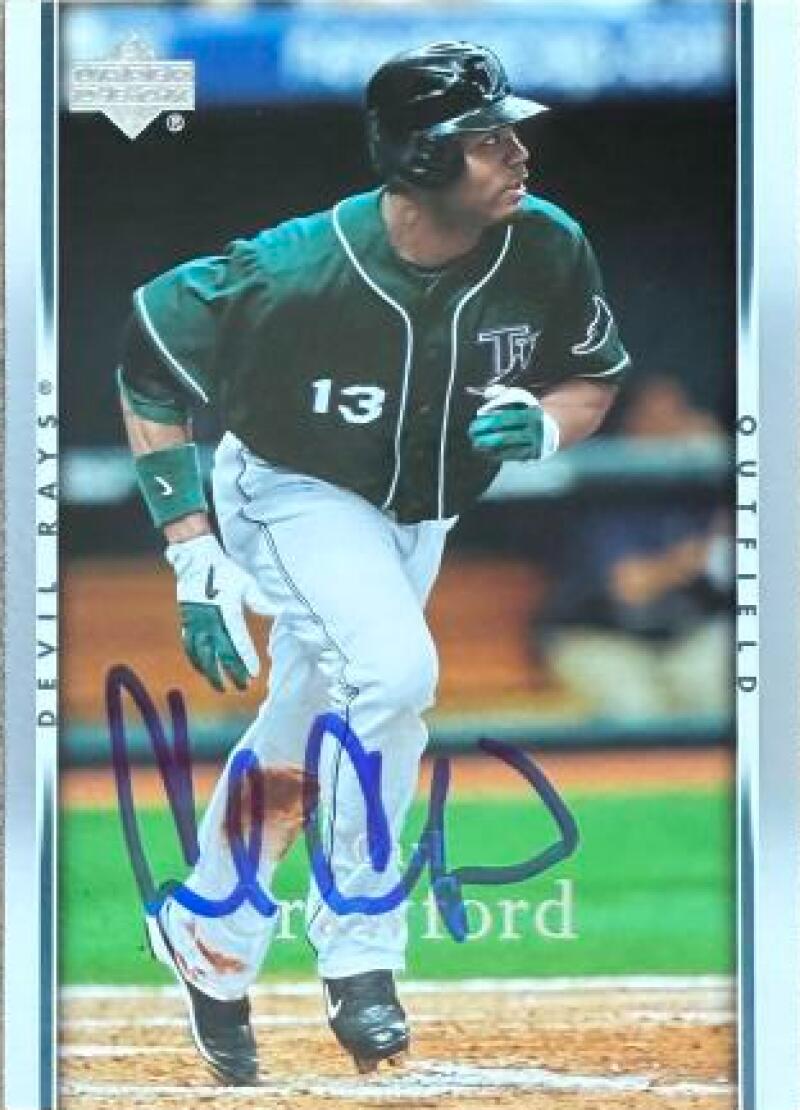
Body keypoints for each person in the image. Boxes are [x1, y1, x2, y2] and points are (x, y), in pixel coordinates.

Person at [117, 41, 628, 1083]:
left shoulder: (546, 243)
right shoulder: (296, 266)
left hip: (419, 516)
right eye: (486, 138)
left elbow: (591, 377)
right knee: (393, 675)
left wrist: (547, 424)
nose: (517, 152)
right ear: (422, 158)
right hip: (292, 489)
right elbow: (148, 352)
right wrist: (190, 546)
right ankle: (360, 951)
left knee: (303, 727)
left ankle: (209, 929)